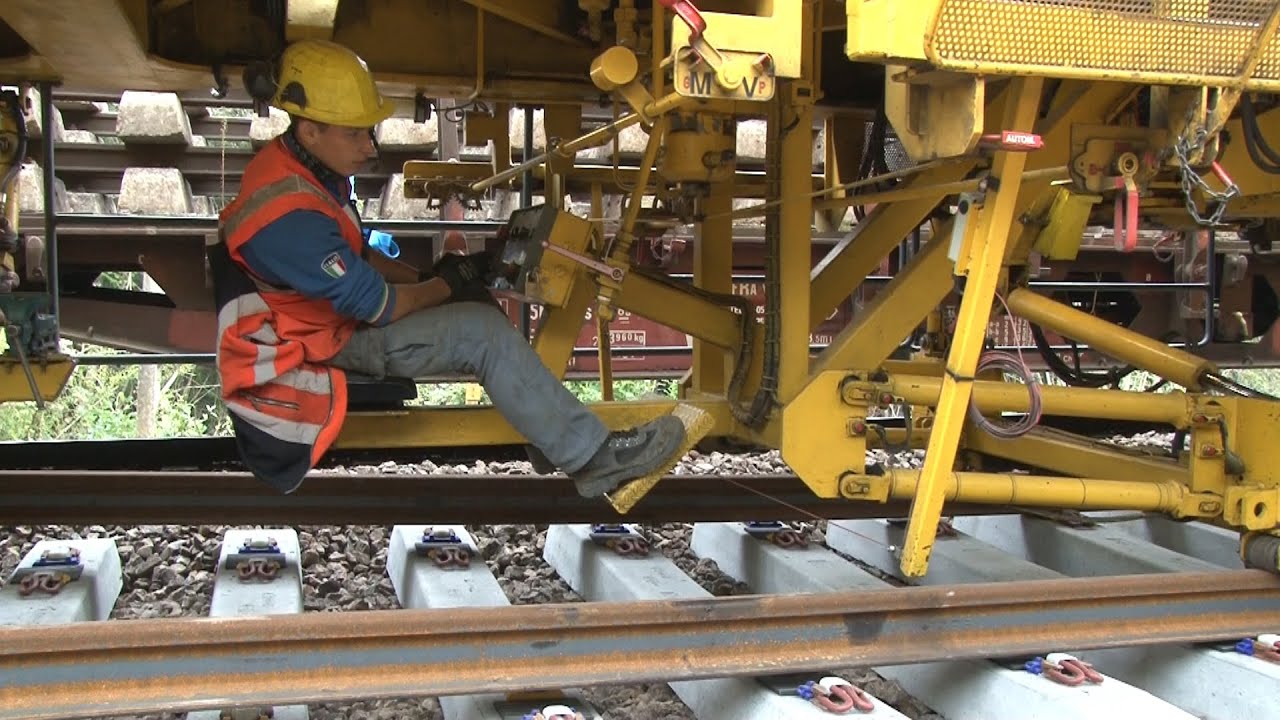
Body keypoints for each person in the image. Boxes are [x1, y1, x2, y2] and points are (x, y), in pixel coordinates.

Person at [207, 38, 685, 496]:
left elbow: (358, 256)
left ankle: (550, 436)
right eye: (355, 133)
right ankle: (598, 462)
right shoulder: (290, 217)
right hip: (313, 344)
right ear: (310, 130)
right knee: (480, 332)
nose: (370, 146)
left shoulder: (299, 168)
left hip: (317, 321)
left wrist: (429, 281)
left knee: (473, 305)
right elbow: (380, 306)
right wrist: (444, 282)